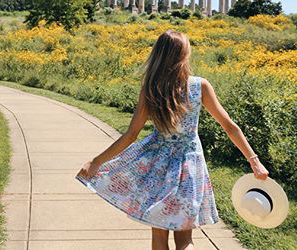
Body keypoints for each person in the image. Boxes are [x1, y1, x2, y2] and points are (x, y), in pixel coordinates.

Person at [76, 30, 269, 250]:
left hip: (157, 168)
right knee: (184, 240)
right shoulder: (199, 86)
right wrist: (254, 161)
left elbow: (131, 135)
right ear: (183, 56)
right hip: (189, 167)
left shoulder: (151, 89)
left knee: (159, 237)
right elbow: (229, 127)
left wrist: (97, 161)